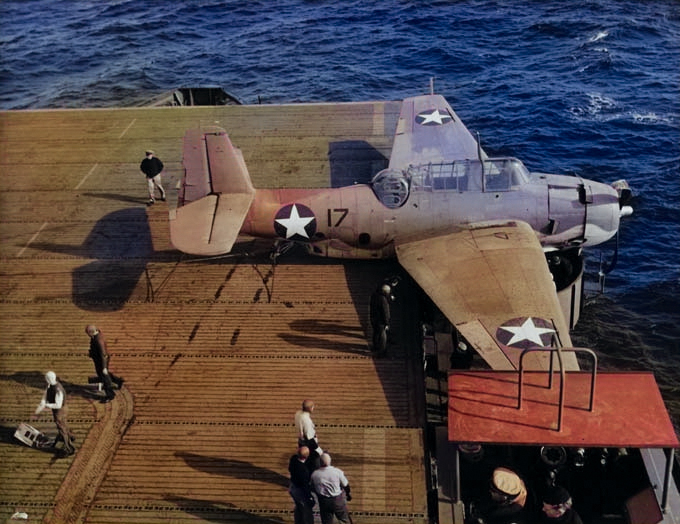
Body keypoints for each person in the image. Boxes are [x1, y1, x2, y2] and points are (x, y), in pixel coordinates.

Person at [33, 371, 76, 457]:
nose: (45, 380)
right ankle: (70, 436)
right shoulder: (52, 386)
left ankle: (68, 448)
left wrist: (46, 405)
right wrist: (43, 402)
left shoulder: (57, 390)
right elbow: (46, 393)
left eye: (46, 379)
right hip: (60, 410)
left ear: (49, 379)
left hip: (59, 411)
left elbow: (58, 405)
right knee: (63, 424)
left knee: (61, 428)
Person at [85, 324, 124, 403]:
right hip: (99, 360)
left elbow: (104, 355)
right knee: (104, 374)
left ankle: (110, 395)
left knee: (104, 377)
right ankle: (118, 381)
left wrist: (104, 367)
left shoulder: (98, 340)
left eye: (88, 334)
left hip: (101, 361)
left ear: (91, 332)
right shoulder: (96, 336)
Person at [311, 453, 352, 524]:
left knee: (326, 521)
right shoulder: (337, 472)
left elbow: (312, 487)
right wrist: (348, 494)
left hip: (324, 501)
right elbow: (346, 485)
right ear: (330, 461)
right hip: (338, 500)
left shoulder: (315, 474)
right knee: (344, 519)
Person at [288, 446, 315, 524]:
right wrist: (309, 497)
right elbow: (305, 486)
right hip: (300, 490)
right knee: (306, 509)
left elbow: (290, 468)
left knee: (298, 506)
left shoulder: (293, 459)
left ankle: (298, 521)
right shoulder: (303, 470)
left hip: (293, 486)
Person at [295, 399, 322, 471]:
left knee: (304, 458)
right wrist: (318, 449)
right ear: (310, 408)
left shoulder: (298, 413)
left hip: (300, 440)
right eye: (312, 407)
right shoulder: (306, 420)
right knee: (314, 461)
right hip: (308, 443)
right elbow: (309, 437)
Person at [369, 282, 392, 355]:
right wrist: (387, 323)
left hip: (373, 317)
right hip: (380, 321)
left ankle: (375, 346)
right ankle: (382, 350)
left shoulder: (374, 295)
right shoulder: (383, 300)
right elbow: (385, 312)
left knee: (375, 332)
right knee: (383, 335)